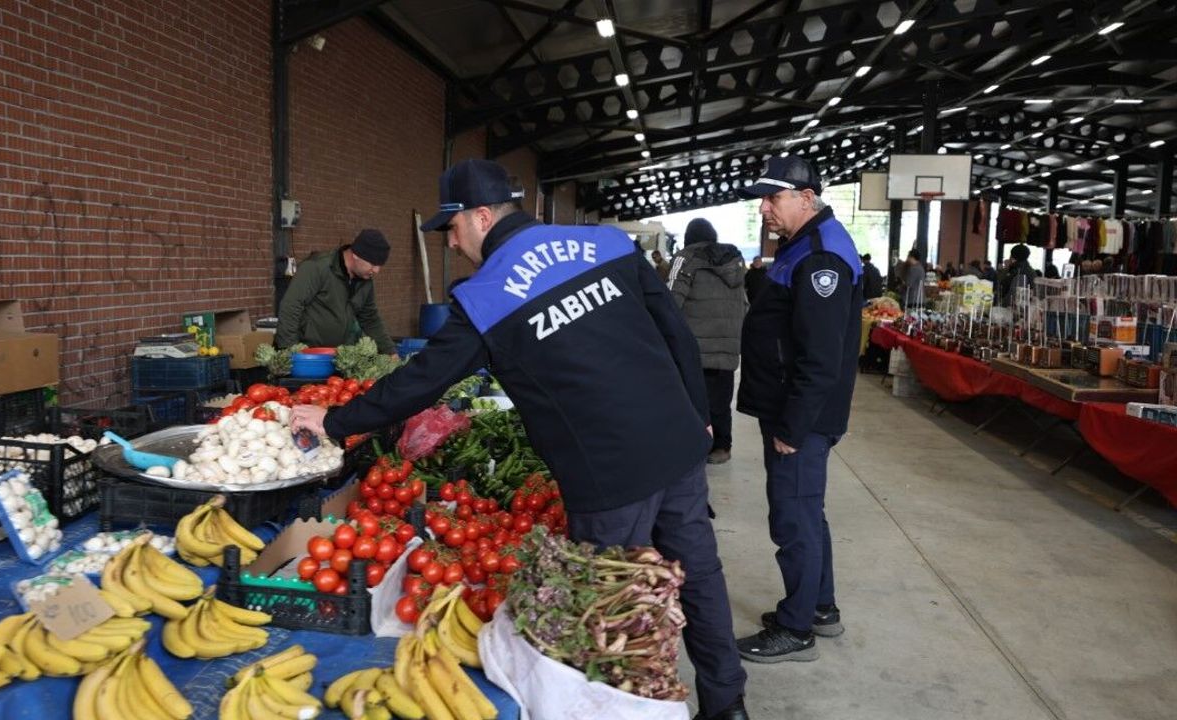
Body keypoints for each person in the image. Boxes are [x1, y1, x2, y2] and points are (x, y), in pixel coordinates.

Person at [291, 159, 749, 720]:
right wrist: (698, 416)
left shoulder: (486, 295)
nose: (453, 244)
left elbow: (419, 382)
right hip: (675, 442)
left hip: (607, 473)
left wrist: (334, 422)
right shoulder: (605, 245)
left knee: (605, 611)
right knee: (698, 573)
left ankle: (615, 708)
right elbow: (676, 332)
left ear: (482, 217)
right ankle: (728, 705)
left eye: (453, 229)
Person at [733, 155, 863, 663]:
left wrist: (793, 426)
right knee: (807, 510)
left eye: (773, 198)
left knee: (793, 518)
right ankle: (820, 607)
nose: (764, 208)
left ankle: (796, 629)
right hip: (795, 409)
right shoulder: (801, 246)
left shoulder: (821, 257)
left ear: (806, 198)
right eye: (762, 198)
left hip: (801, 415)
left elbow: (820, 354)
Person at [669, 218, 748, 465]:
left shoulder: (685, 258)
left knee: (691, 400)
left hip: (694, 347)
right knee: (720, 402)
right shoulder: (735, 263)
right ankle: (722, 447)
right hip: (727, 348)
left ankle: (694, 448)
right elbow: (744, 304)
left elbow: (670, 300)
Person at [273, 229, 397, 355]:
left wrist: (390, 351)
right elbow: (291, 307)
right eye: (373, 264)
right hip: (306, 355)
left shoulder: (365, 281)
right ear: (356, 255)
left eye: (380, 265)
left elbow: (370, 318)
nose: (376, 270)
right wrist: (290, 351)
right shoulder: (316, 268)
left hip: (335, 357)